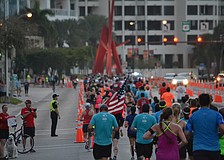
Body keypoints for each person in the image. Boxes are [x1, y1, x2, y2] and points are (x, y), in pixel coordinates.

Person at [185, 93, 224, 160]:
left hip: (198, 148)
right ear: (210, 102)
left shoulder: (193, 115)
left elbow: (187, 133)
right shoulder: (217, 115)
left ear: (199, 102)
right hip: (214, 148)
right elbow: (222, 128)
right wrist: (219, 135)